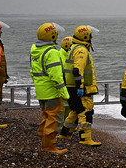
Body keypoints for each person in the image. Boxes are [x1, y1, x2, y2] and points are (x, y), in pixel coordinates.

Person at [58, 25, 101, 146]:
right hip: (80, 87)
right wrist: (80, 87)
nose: (91, 38)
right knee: (85, 111)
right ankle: (85, 138)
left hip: (70, 86)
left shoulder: (73, 48)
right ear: (85, 37)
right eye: (90, 36)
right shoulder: (81, 50)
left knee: (76, 110)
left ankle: (65, 133)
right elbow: (78, 70)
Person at [30, 23, 69, 155]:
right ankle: (49, 146)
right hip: (52, 92)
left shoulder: (35, 50)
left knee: (46, 115)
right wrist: (65, 93)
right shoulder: (52, 52)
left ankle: (43, 136)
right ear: (52, 36)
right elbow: (56, 77)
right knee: (54, 118)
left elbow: (32, 72)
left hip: (41, 91)